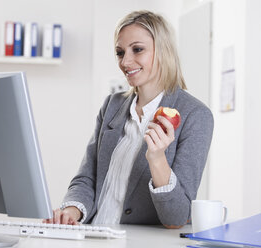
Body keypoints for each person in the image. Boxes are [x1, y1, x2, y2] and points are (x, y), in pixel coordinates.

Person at [45, 10, 214, 228]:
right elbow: (86, 177)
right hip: (92, 235)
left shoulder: (195, 115)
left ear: (163, 50)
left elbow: (177, 217)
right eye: (120, 52)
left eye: (137, 49)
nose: (126, 61)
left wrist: (157, 159)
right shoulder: (112, 106)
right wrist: (71, 212)